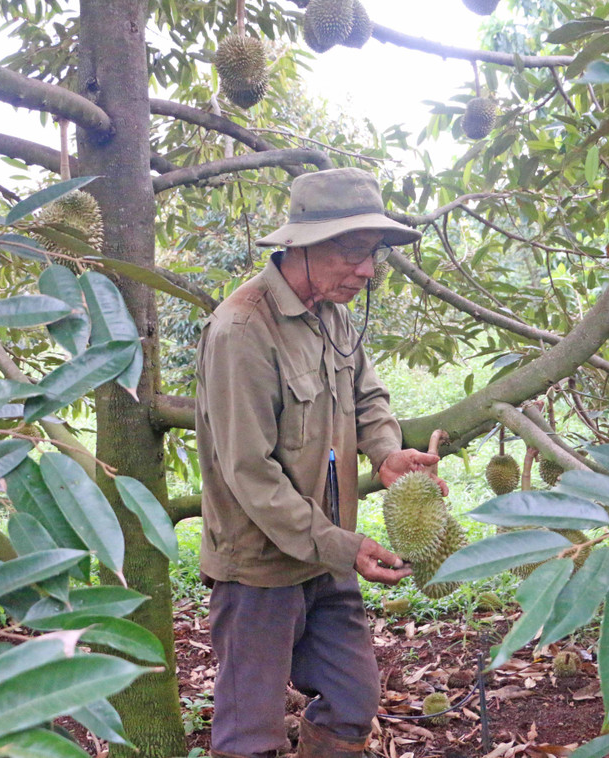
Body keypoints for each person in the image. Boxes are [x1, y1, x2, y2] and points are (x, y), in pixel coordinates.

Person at [195, 167, 447, 758]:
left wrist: (386, 453)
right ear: (301, 247)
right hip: (259, 565)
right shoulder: (242, 330)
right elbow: (248, 470)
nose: (367, 271)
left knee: (352, 702)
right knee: (249, 733)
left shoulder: (332, 313)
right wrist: (341, 545)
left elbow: (368, 397)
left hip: (327, 552)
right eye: (354, 255)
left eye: (373, 257)